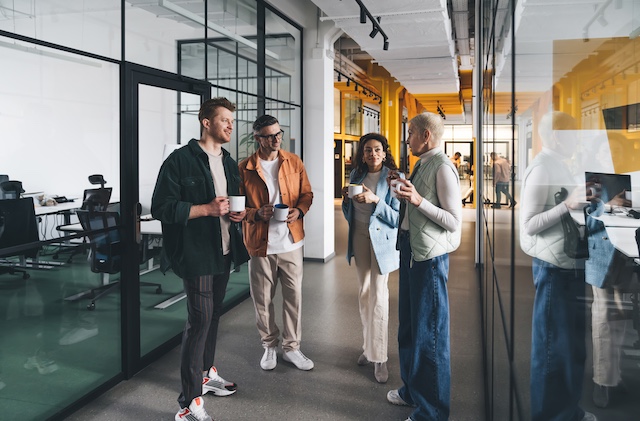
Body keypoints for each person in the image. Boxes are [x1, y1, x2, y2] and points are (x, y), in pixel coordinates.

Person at [151, 97, 250, 421]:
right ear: (206, 122)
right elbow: (162, 207)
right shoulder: (180, 161)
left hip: (223, 251)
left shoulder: (229, 161)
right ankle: (188, 401)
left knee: (213, 317)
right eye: (225, 120)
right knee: (199, 322)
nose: (231, 126)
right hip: (196, 253)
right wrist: (206, 209)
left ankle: (205, 374)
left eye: (232, 121)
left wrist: (239, 215)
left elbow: (234, 203)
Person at [519, 111, 596, 421]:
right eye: (571, 134)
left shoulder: (560, 164)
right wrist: (568, 205)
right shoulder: (540, 168)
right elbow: (529, 224)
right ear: (554, 136)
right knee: (552, 350)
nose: (576, 139)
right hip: (553, 269)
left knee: (570, 348)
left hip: (568, 265)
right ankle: (550, 416)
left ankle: (567, 411)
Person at [386, 112, 462, 421]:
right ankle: (413, 390)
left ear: (425, 136)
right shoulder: (423, 163)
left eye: (410, 134)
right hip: (411, 252)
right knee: (409, 326)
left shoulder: (443, 168)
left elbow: (453, 221)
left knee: (429, 335)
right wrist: (403, 191)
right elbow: (415, 207)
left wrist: (417, 200)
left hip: (429, 260)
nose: (407, 139)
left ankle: (432, 412)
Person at [239, 115, 314, 372]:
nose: (276, 139)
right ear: (257, 138)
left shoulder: (293, 161)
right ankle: (269, 345)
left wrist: (300, 211)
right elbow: (237, 209)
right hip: (260, 246)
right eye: (270, 135)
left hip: (291, 243)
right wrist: (256, 214)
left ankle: (292, 347)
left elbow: (307, 194)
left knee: (294, 298)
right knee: (262, 300)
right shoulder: (244, 168)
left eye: (278, 133)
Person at [341, 133, 401, 384]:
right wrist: (347, 199)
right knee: (364, 293)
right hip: (359, 237)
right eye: (368, 150)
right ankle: (369, 347)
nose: (372, 154)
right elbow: (350, 213)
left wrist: (376, 200)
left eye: (377, 150)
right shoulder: (356, 175)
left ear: (385, 153)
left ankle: (380, 357)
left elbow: (399, 218)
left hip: (383, 242)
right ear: (362, 154)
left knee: (379, 295)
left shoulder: (394, 179)